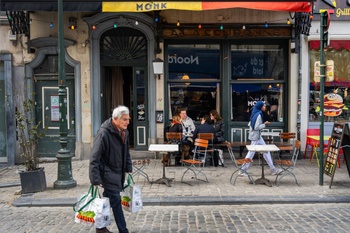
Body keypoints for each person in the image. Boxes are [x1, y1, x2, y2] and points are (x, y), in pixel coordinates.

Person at [90, 105, 132, 233]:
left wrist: (128, 167)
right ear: (115, 119)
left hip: (118, 173)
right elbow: (94, 157)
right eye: (124, 119)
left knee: (107, 199)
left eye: (128, 119)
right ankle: (123, 230)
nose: (127, 122)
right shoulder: (103, 133)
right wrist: (95, 179)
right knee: (116, 201)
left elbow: (126, 152)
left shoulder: (125, 132)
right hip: (107, 173)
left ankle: (100, 228)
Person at [240, 101, 282, 176]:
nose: (265, 107)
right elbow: (256, 127)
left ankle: (272, 169)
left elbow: (250, 124)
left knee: (266, 151)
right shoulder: (259, 115)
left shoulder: (254, 113)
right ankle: (242, 170)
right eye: (263, 106)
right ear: (260, 107)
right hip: (256, 137)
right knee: (251, 153)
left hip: (256, 136)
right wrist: (264, 124)